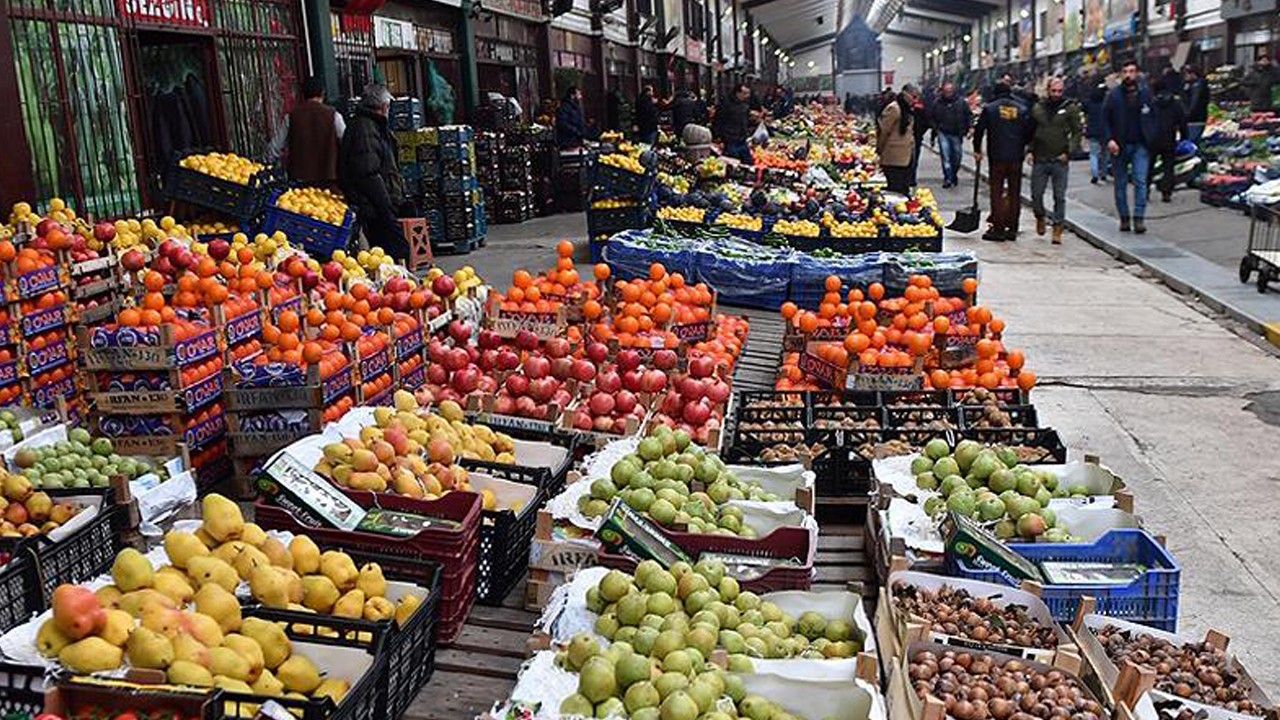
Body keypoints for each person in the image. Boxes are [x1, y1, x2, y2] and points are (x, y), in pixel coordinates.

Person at [340, 84, 408, 262]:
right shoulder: (366, 129)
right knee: (395, 252)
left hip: (376, 204)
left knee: (388, 254)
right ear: (384, 106)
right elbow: (368, 172)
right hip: (374, 206)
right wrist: (385, 206)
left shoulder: (371, 126)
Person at [973, 80, 1034, 241]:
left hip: (997, 156)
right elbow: (1030, 130)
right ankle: (1012, 228)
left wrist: (977, 149)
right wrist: (1023, 145)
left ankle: (998, 229)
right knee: (1014, 192)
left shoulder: (990, 109)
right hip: (1016, 156)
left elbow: (979, 130)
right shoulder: (1021, 109)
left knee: (997, 192)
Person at [1103, 59, 1156, 234]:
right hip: (1119, 145)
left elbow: (1153, 116)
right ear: (1121, 74)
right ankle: (1124, 217)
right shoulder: (1113, 95)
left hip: (1140, 144)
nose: (1128, 75)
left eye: (1132, 71)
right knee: (1120, 183)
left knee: (1140, 181)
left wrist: (1151, 137)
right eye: (1125, 72)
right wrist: (1110, 139)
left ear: (1137, 73)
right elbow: (1105, 119)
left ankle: (1139, 218)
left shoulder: (1145, 93)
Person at [1029, 77, 1082, 244]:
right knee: (1036, 194)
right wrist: (1029, 150)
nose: (1057, 94)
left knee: (1059, 196)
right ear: (1048, 90)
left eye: (1059, 91)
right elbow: (1031, 131)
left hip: (1060, 158)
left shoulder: (1070, 108)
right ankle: (1040, 216)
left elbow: (1077, 132)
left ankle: (1058, 227)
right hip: (1040, 157)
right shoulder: (1038, 108)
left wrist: (1069, 151)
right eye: (1054, 91)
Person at [268, 76, 346, 186]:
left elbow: (274, 147)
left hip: (299, 182)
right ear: (322, 93)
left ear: (302, 94)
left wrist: (266, 164)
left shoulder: (291, 117)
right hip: (329, 179)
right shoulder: (334, 116)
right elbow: (347, 143)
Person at [1149, 77, 1188, 204]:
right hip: (1169, 137)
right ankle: (1166, 192)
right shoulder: (1175, 103)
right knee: (1168, 167)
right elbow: (1182, 120)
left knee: (1148, 165)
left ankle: (1144, 190)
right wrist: (1184, 137)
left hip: (1152, 138)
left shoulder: (1150, 102)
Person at [929, 80, 971, 188]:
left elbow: (968, 115)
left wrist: (968, 129)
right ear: (943, 91)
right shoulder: (937, 103)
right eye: (946, 90)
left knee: (957, 156)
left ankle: (953, 174)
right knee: (946, 156)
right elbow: (932, 117)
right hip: (943, 132)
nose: (948, 93)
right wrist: (935, 129)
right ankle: (948, 178)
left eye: (950, 90)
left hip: (956, 133)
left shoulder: (961, 102)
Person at [876, 88, 916, 194]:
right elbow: (884, 130)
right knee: (896, 185)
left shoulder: (907, 108)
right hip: (893, 154)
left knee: (902, 185)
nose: (915, 100)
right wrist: (880, 147)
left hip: (905, 153)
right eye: (913, 97)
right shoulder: (893, 108)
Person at [714, 83, 754, 165]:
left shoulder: (744, 105)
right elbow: (718, 121)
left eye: (748, 93)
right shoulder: (726, 104)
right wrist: (719, 137)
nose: (747, 96)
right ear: (737, 93)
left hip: (742, 139)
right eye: (745, 93)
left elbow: (746, 120)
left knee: (749, 163)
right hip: (730, 139)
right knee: (733, 163)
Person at [1083, 77, 1111, 184]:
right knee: (1105, 153)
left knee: (1094, 153)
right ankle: (1103, 173)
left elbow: (1084, 108)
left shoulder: (1090, 102)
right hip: (1105, 131)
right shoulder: (1107, 103)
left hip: (1093, 130)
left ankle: (1095, 173)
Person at [906, 84, 930, 187]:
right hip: (908, 136)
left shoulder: (920, 107)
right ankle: (909, 177)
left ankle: (911, 178)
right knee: (909, 158)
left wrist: (920, 132)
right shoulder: (904, 106)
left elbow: (926, 121)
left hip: (916, 136)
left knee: (914, 158)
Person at [1183, 65, 1209, 142]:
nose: (1185, 76)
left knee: (1192, 140)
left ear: (1193, 74)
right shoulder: (1195, 85)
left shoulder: (1197, 86)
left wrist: (1187, 115)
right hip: (1198, 118)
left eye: (1186, 74)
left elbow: (1194, 103)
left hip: (1195, 119)